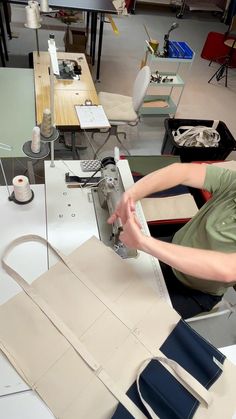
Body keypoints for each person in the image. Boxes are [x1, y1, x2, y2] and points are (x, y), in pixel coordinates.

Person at [108, 162, 236, 319]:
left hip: (194, 291)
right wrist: (130, 196)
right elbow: (182, 171)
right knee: (108, 276)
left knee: (126, 319)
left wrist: (143, 242)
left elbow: (228, 270)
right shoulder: (233, 183)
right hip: (171, 247)